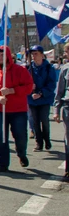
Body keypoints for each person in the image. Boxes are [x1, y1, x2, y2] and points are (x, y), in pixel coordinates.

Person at [0, 46, 34, 172]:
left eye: (2, 55)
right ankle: (3, 163)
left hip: (18, 109)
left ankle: (21, 153)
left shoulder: (20, 70)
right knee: (0, 137)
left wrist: (12, 90)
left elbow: (29, 86)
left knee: (20, 135)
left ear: (8, 56)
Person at [27, 45, 57, 152]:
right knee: (35, 122)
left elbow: (51, 84)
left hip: (44, 99)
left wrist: (40, 93)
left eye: (36, 54)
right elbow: (24, 82)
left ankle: (47, 140)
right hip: (32, 99)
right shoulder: (29, 68)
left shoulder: (49, 68)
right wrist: (30, 88)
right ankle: (38, 142)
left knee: (44, 120)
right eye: (32, 54)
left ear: (42, 55)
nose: (34, 56)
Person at [53, 44, 69, 177]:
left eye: (67, 51)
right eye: (66, 52)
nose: (65, 54)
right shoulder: (65, 69)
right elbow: (59, 91)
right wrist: (56, 110)